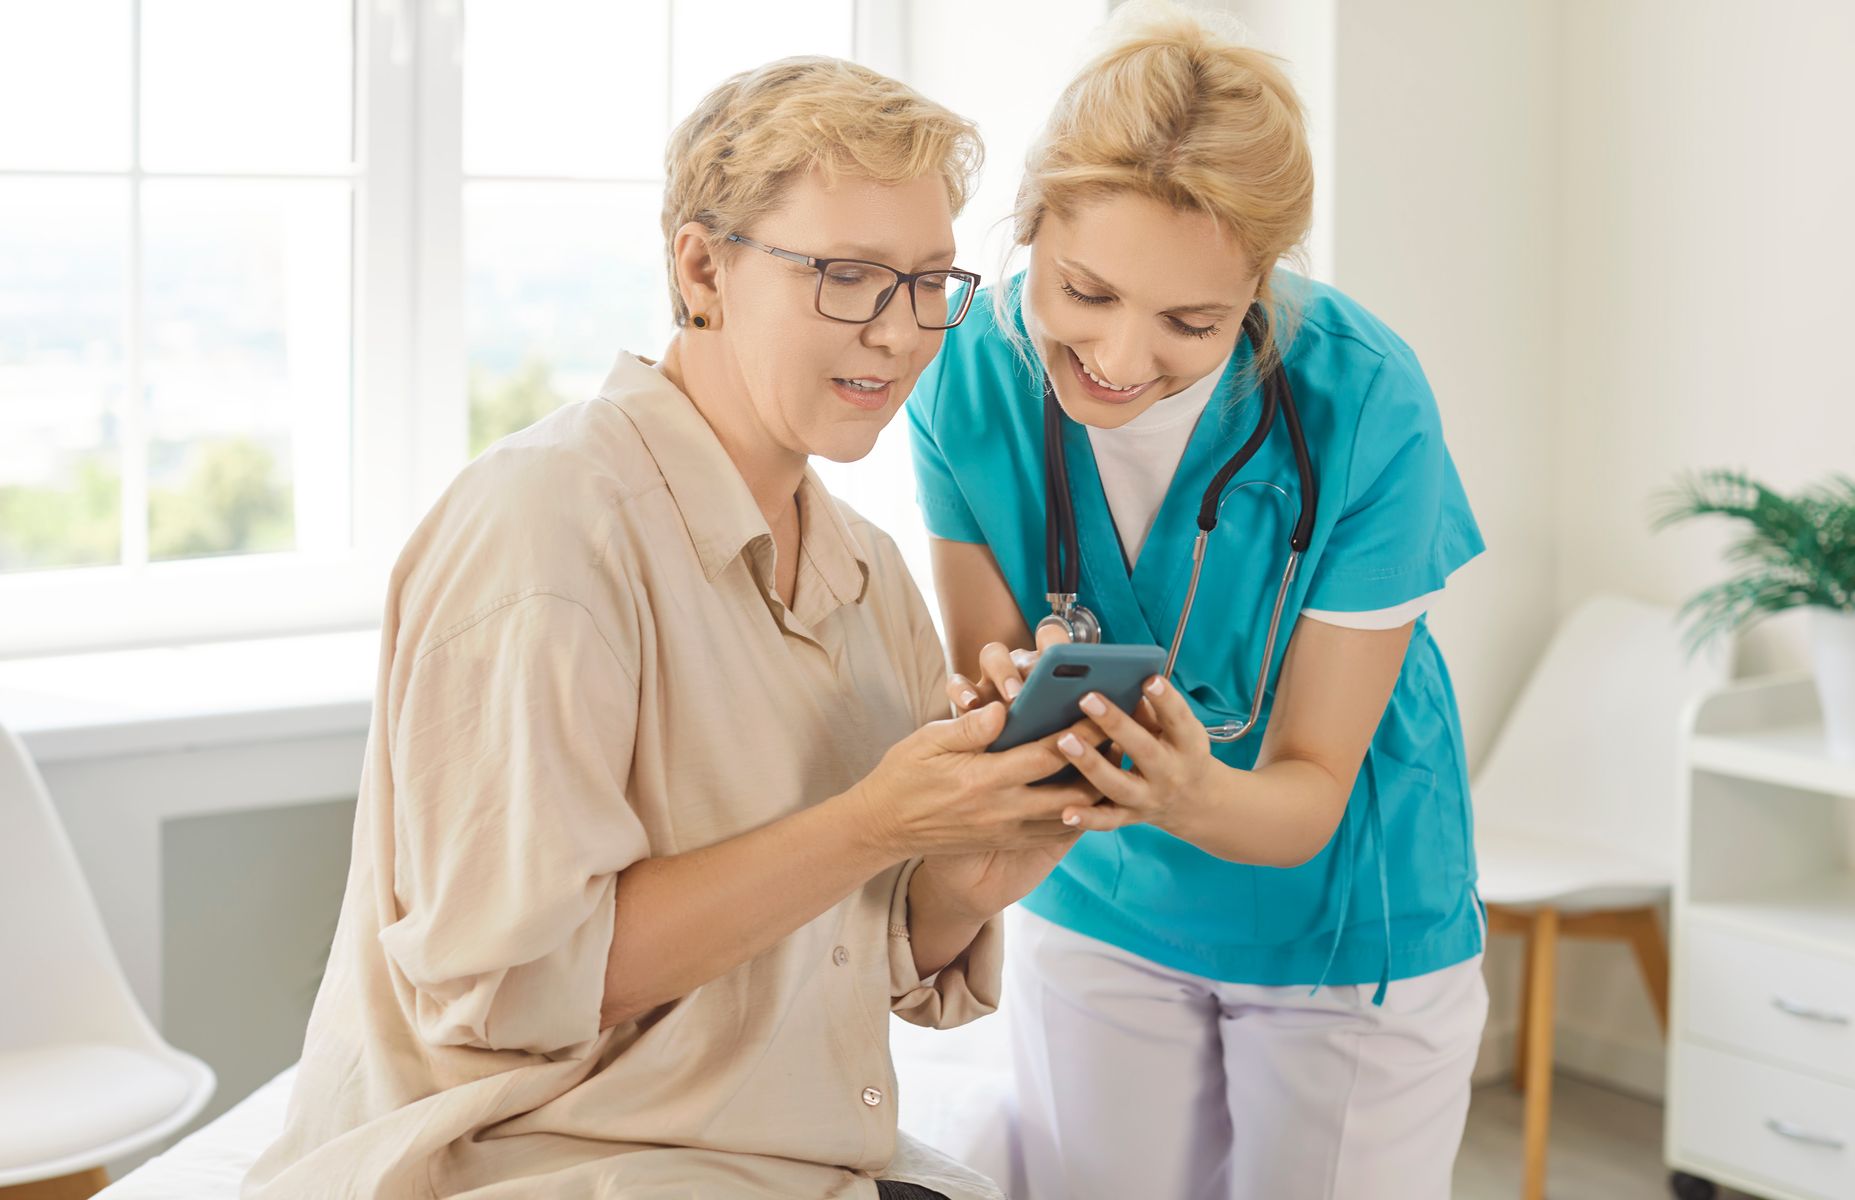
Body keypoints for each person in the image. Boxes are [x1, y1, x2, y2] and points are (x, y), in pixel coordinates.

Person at [245, 56, 1102, 1200]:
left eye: (927, 282)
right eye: (849, 277)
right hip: (534, 1169)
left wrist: (971, 869)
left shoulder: (868, 574)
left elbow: (866, 952)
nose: (900, 334)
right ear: (703, 269)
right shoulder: (544, 530)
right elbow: (515, 985)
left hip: (772, 1158)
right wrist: (869, 825)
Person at [907, 4, 1489, 1197]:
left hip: (1339, 927)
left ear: (1260, 287)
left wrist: (1187, 791)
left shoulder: (1360, 400)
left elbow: (1309, 792)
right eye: (1085, 291)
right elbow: (992, 680)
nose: (1121, 359)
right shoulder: (965, 375)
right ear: (1029, 223)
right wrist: (996, 707)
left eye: (1192, 322)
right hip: (1096, 899)